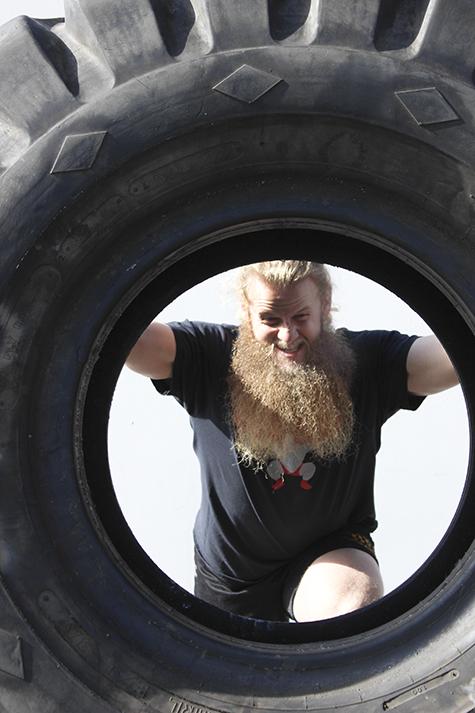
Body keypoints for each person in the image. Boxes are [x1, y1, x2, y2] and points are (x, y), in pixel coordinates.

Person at [126, 260, 459, 622]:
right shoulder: (208, 356)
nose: (288, 335)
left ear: (325, 305)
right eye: (270, 319)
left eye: (300, 317)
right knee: (227, 675)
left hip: (329, 553)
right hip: (230, 579)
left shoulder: (366, 362)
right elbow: (130, 340)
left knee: (351, 606)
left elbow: (445, 358)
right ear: (246, 312)